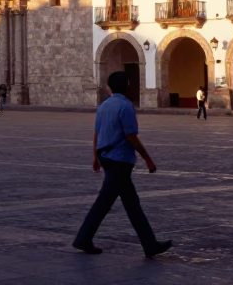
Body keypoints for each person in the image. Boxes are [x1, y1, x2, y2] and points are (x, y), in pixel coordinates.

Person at [73, 71, 173, 258]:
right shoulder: (125, 106)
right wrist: (147, 158)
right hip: (120, 160)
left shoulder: (103, 106)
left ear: (109, 87)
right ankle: (83, 238)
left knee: (131, 203)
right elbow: (130, 136)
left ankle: (149, 244)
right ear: (127, 87)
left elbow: (96, 133)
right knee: (104, 202)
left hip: (106, 156)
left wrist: (95, 156)